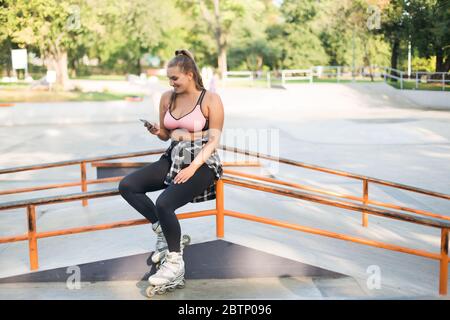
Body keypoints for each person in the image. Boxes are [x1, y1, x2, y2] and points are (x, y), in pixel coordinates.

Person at [118, 49, 224, 293]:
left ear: (189, 74)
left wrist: (194, 167)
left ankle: (175, 262)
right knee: (128, 186)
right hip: (174, 156)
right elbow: (167, 136)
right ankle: (164, 233)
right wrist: (158, 131)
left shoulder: (210, 100)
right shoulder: (168, 98)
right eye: (169, 79)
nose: (171, 83)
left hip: (203, 161)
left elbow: (214, 139)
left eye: (175, 78)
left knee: (165, 203)